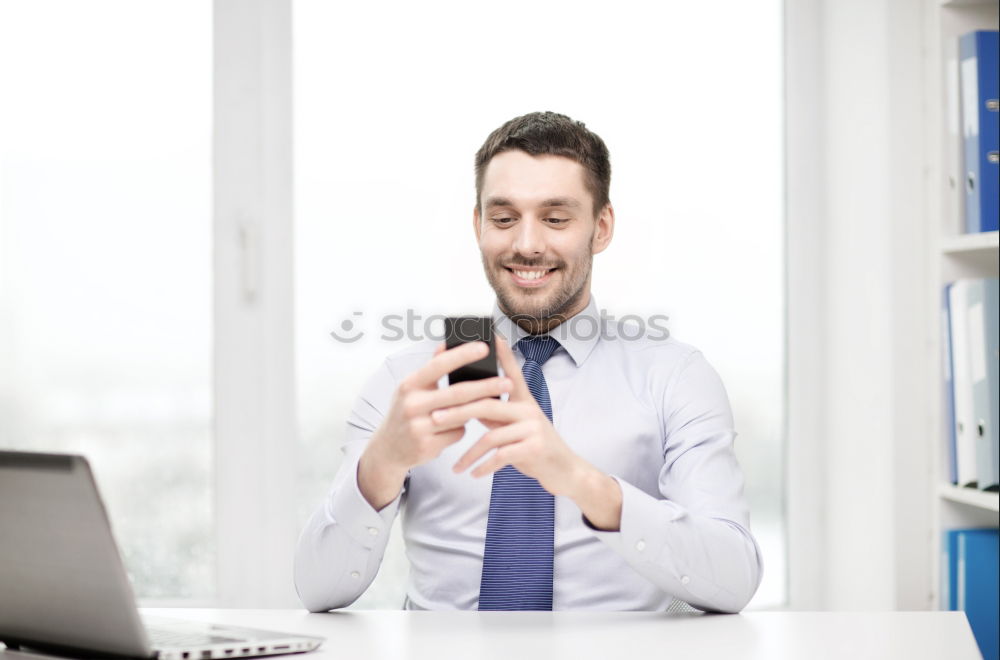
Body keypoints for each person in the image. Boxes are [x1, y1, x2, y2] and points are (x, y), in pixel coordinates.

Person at [294, 111, 764, 613]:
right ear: (478, 225)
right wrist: (382, 463)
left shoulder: (674, 379)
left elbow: (733, 580)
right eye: (503, 218)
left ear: (600, 227)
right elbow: (318, 590)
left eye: (556, 218)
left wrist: (580, 481)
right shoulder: (408, 380)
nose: (526, 244)